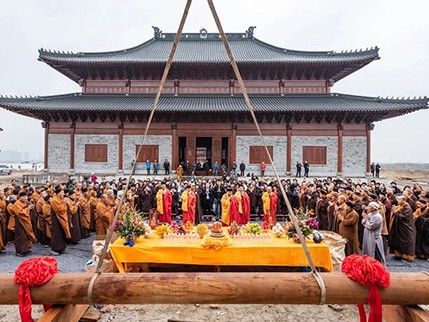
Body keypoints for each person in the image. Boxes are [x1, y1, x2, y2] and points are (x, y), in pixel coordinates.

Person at [389, 195, 416, 261]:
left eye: (399, 199)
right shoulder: (400, 206)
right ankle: (399, 254)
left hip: (406, 228)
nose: (397, 201)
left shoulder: (407, 208)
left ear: (403, 200)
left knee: (406, 242)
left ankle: (407, 256)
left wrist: (395, 212)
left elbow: (403, 217)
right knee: (400, 241)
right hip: (400, 227)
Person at [12, 191, 36, 257]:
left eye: (26, 196)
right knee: (21, 236)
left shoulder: (25, 202)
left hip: (26, 221)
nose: (25, 198)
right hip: (20, 221)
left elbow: (27, 209)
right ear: (20, 197)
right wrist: (28, 208)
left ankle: (25, 249)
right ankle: (19, 251)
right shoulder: (17, 203)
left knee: (26, 236)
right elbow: (20, 213)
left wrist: (31, 207)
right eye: (23, 197)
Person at [50, 186, 72, 256]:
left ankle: (61, 247)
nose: (63, 194)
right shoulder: (54, 200)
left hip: (62, 218)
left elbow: (65, 209)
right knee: (57, 233)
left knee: (62, 233)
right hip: (56, 219)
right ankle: (54, 249)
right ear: (58, 193)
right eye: (62, 192)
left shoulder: (61, 199)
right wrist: (63, 203)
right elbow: (59, 210)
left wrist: (64, 202)